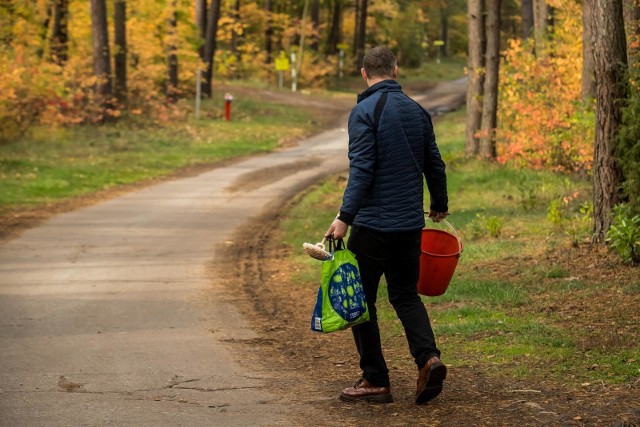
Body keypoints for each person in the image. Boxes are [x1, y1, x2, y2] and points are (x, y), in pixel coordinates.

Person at [324, 46, 449, 405]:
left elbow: (362, 170)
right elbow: (435, 164)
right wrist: (438, 204)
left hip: (372, 228)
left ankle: (376, 380)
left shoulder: (363, 111)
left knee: (362, 302)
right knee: (406, 296)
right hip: (409, 226)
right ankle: (428, 359)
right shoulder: (417, 111)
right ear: (395, 70)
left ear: (365, 74)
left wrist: (344, 218)